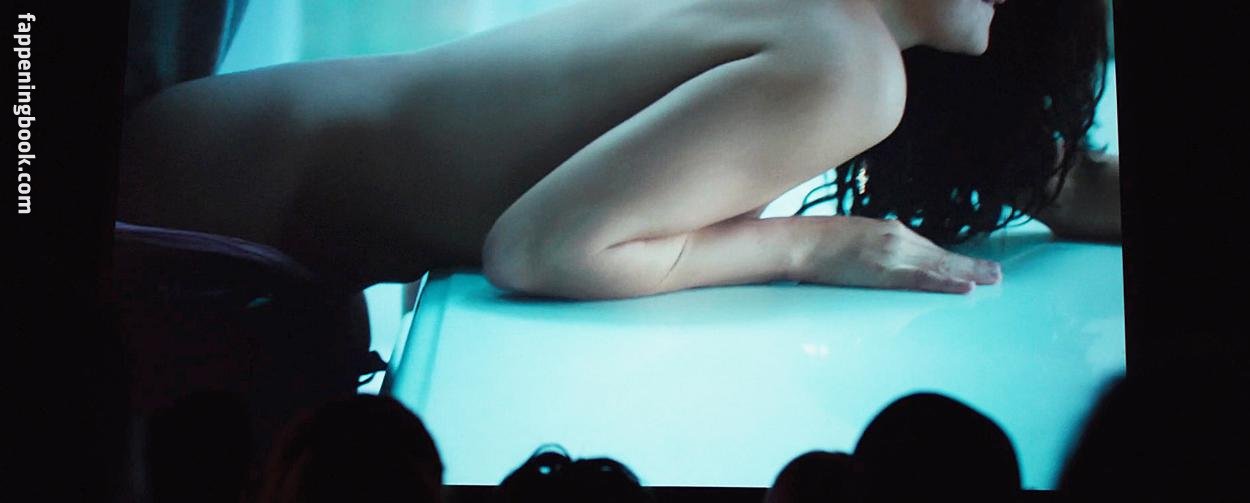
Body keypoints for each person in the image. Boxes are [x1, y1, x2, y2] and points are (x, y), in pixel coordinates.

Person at [117, 0, 1114, 300]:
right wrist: (817, 245)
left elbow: (1063, 186)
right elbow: (540, 251)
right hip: (183, 225)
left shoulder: (829, 31)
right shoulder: (848, 66)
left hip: (205, 158)